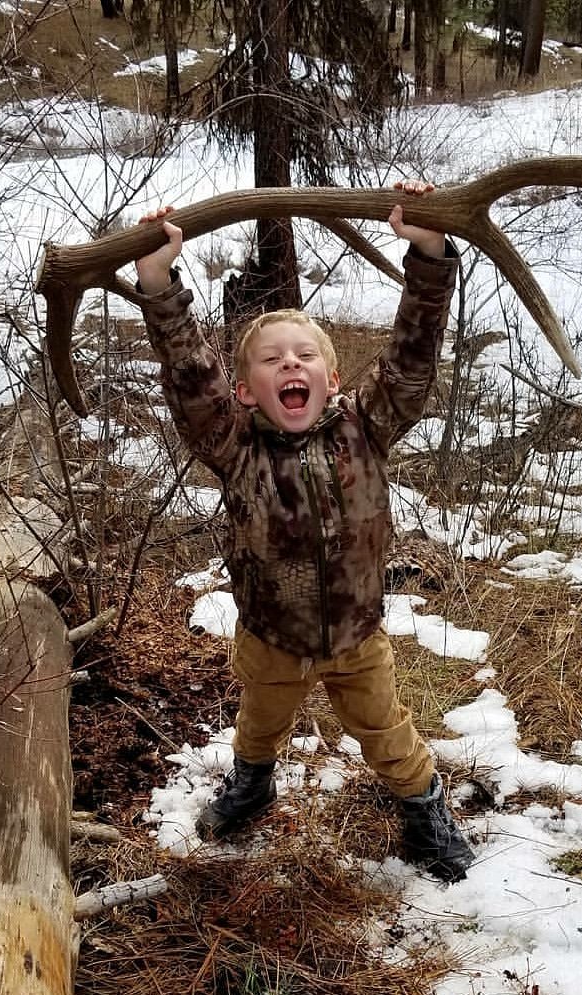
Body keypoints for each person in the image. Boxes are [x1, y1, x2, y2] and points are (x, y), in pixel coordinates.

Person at [134, 182, 474, 882]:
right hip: (271, 638)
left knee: (389, 733)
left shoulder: (365, 425)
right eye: (270, 358)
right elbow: (191, 377)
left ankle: (424, 806)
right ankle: (254, 782)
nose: (290, 363)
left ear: (334, 377)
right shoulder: (234, 447)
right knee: (260, 726)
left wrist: (431, 258)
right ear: (246, 392)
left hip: (357, 636)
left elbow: (411, 361)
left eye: (304, 354)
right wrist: (160, 285)